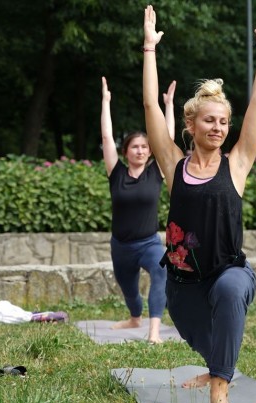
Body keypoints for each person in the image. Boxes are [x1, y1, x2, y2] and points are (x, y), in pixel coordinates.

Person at [142, 4, 256, 403]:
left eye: (223, 121)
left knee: (230, 290)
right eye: (209, 121)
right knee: (205, 339)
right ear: (191, 125)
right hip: (183, 283)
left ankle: (218, 394)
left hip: (229, 269)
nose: (218, 128)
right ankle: (220, 367)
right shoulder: (174, 165)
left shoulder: (236, 164)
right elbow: (152, 107)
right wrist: (149, 49)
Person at [100, 76, 175, 344]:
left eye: (145, 147)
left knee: (161, 270)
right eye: (135, 146)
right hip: (121, 246)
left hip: (148, 243)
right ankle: (134, 318)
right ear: (126, 151)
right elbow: (106, 137)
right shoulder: (116, 172)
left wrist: (168, 107)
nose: (141, 150)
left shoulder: (156, 172)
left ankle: (154, 332)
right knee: (130, 291)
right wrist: (106, 102)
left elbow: (167, 139)